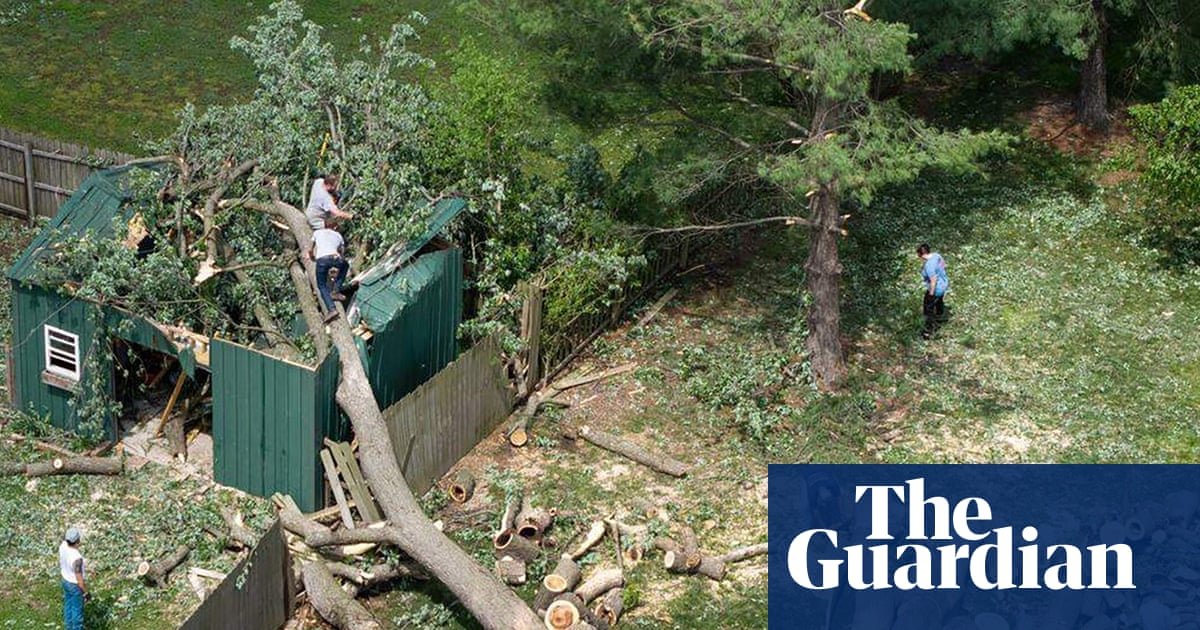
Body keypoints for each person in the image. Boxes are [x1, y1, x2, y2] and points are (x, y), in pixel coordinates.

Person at [310, 226, 349, 320]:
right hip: (336, 258)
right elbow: (342, 251)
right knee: (345, 266)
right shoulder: (338, 235)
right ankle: (336, 290)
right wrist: (339, 259)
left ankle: (332, 309)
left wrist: (311, 257)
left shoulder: (317, 232)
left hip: (322, 260)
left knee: (321, 285)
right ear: (334, 227)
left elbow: (310, 249)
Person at [917, 243, 949, 339]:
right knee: (939, 302)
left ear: (920, 254)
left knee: (928, 309)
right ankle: (941, 318)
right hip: (943, 285)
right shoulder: (936, 255)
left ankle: (929, 331)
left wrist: (931, 295)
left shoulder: (929, 265)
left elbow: (933, 281)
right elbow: (944, 265)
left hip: (936, 289)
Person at [59, 527, 87, 630]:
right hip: (74, 585)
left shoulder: (63, 546)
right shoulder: (76, 558)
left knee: (68, 604)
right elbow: (79, 579)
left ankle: (68, 626)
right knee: (77, 610)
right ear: (78, 541)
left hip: (65, 580)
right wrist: (85, 592)